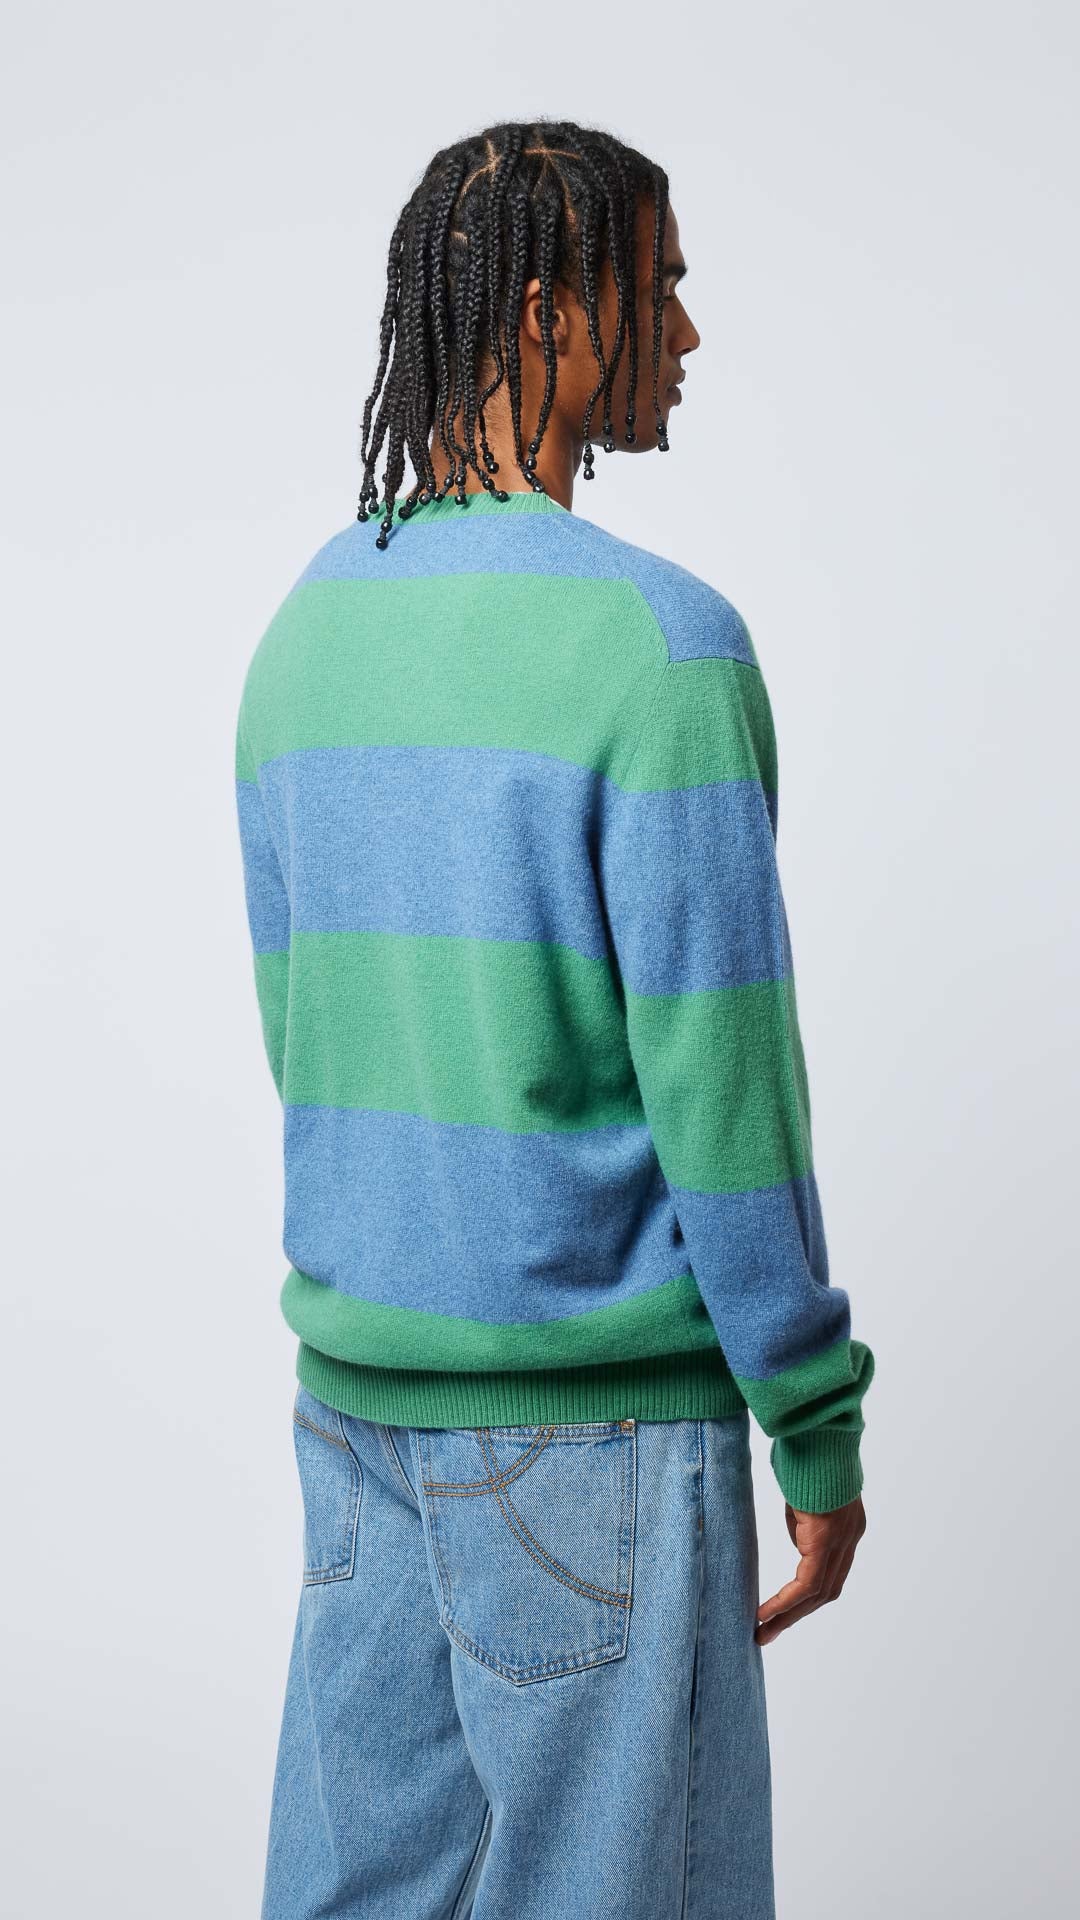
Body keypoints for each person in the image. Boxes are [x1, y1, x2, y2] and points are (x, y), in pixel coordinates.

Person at [233, 118, 874, 1920]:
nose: (687, 331)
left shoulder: (301, 640)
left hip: (357, 1421)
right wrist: (814, 1422)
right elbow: (727, 1100)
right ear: (544, 315)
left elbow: (313, 1050)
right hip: (596, 1442)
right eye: (658, 287)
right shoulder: (662, 649)